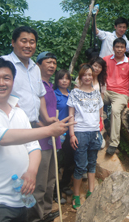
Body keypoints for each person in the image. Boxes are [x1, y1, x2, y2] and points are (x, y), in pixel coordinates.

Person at [0, 58, 73, 222]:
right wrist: (49, 130)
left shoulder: (19, 112)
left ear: (13, 82)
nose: (1, 83)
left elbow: (33, 146)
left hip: (21, 200)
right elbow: (4, 137)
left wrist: (32, 172)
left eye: (6, 78)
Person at [28, 52, 65, 219]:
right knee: (40, 181)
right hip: (40, 139)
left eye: (54, 63)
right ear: (38, 65)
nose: (52, 65)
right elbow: (31, 116)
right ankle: (37, 216)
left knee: (51, 178)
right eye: (48, 62)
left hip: (53, 138)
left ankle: (47, 211)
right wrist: (45, 129)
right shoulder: (34, 86)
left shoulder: (50, 86)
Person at [1, 26, 57, 128]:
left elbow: (40, 95)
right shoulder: (3, 63)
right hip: (11, 125)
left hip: (32, 125)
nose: (28, 45)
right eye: (24, 41)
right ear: (13, 42)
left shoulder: (35, 68)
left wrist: (47, 119)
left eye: (32, 42)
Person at [67, 65, 104, 210]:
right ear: (80, 77)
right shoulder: (75, 93)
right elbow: (70, 114)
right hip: (80, 132)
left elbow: (100, 111)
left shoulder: (96, 93)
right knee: (80, 166)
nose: (87, 77)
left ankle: (91, 191)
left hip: (94, 132)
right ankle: (76, 195)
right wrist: (71, 134)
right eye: (85, 75)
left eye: (90, 75)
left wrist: (101, 125)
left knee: (92, 163)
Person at [103, 38, 129, 155]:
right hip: (106, 91)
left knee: (115, 110)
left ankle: (113, 143)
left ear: (125, 49)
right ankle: (99, 131)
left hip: (120, 93)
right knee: (93, 100)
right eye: (117, 47)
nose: (119, 49)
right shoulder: (106, 60)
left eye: (122, 47)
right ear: (113, 48)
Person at [54, 69, 75, 200]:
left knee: (70, 160)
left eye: (67, 78)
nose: (64, 81)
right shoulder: (53, 94)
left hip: (71, 131)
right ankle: (54, 191)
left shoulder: (72, 94)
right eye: (61, 78)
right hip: (58, 131)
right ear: (57, 80)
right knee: (55, 162)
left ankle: (65, 184)